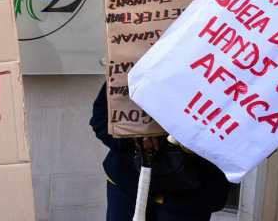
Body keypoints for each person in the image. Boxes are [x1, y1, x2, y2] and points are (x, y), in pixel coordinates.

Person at [90, 82, 230, 220]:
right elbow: (101, 120)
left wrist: (188, 142)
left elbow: (234, 142)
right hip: (128, 185)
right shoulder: (134, 67)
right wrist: (133, 136)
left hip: (190, 195)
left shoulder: (226, 80)